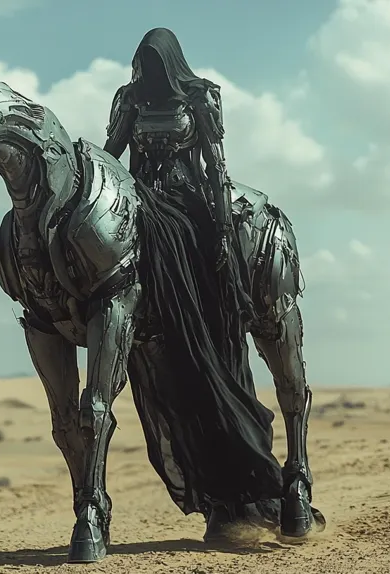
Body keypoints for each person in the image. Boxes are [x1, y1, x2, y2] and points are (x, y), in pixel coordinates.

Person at [103, 27, 285, 539]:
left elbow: (217, 166)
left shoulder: (202, 96)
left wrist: (225, 231)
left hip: (190, 212)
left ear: (172, 62)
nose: (147, 72)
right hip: (142, 208)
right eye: (142, 64)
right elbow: (110, 155)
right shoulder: (127, 99)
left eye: (155, 64)